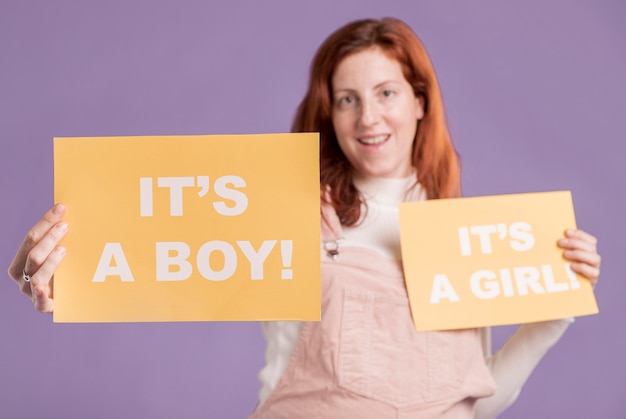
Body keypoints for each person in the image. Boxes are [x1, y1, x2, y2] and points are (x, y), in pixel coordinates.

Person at [8, 17, 600, 418]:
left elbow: (475, 398)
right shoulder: (282, 209)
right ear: (329, 112)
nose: (368, 117)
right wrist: (55, 271)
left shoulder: (465, 238)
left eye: (387, 93)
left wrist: (559, 305)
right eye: (347, 98)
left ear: (421, 101)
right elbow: (152, 254)